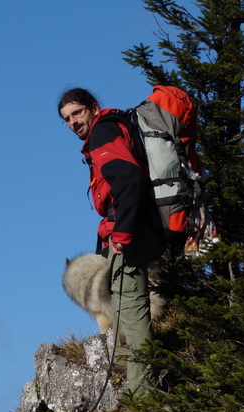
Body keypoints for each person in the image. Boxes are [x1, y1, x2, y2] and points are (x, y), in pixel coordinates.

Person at [58, 88, 167, 391]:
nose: (73, 122)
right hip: (144, 226)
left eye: (77, 113)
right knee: (122, 305)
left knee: (130, 310)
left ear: (93, 107)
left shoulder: (103, 133)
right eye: (67, 119)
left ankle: (143, 394)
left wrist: (121, 233)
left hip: (134, 231)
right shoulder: (112, 128)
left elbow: (128, 179)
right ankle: (124, 367)